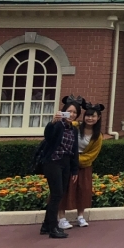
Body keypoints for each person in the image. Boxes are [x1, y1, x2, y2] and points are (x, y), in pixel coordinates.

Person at [39, 98, 81, 238]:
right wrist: (52, 122)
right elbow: (48, 136)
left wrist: (75, 169)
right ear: (64, 112)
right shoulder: (58, 125)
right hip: (53, 162)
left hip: (66, 163)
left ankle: (46, 225)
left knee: (59, 194)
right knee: (57, 194)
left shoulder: (73, 129)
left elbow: (74, 151)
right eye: (69, 111)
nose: (72, 114)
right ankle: (53, 228)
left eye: (75, 112)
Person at [59, 102, 104, 229]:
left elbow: (92, 155)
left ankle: (80, 216)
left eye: (93, 116)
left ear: (98, 118)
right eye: (88, 116)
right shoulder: (74, 126)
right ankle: (61, 218)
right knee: (64, 189)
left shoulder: (98, 136)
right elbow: (61, 129)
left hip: (83, 165)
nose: (90, 118)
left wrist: (75, 160)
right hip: (66, 163)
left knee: (82, 190)